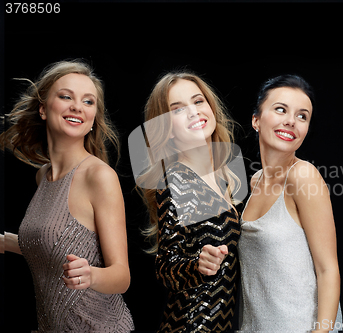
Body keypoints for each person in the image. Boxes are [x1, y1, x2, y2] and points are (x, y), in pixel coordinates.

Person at [0, 60, 134, 332]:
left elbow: (122, 276)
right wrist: (4, 242)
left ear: (94, 117)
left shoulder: (98, 176)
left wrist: (90, 275)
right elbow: (47, 243)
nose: (77, 107)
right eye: (66, 97)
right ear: (42, 109)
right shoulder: (43, 176)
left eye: (88, 102)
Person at [135, 71, 242, 332]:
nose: (194, 112)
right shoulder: (175, 181)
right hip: (190, 325)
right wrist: (197, 264)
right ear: (166, 128)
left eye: (198, 101)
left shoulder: (227, 174)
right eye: (178, 109)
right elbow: (164, 267)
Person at [238, 75, 342, 332]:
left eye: (302, 116)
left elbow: (328, 270)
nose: (291, 121)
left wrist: (322, 330)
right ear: (256, 120)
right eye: (281, 109)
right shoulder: (254, 182)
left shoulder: (303, 175)